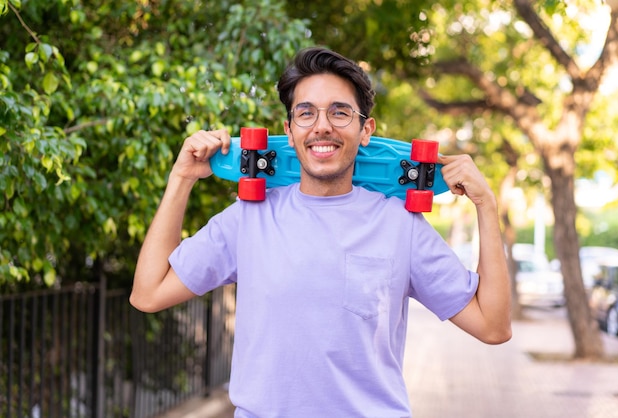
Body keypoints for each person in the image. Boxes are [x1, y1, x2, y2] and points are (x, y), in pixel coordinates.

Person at [130, 46, 511, 417]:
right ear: (289, 130)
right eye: (306, 113)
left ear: (366, 130)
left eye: (340, 112)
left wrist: (486, 206)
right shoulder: (249, 218)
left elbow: (493, 326)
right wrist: (181, 178)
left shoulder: (400, 224)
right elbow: (149, 293)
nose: (322, 126)